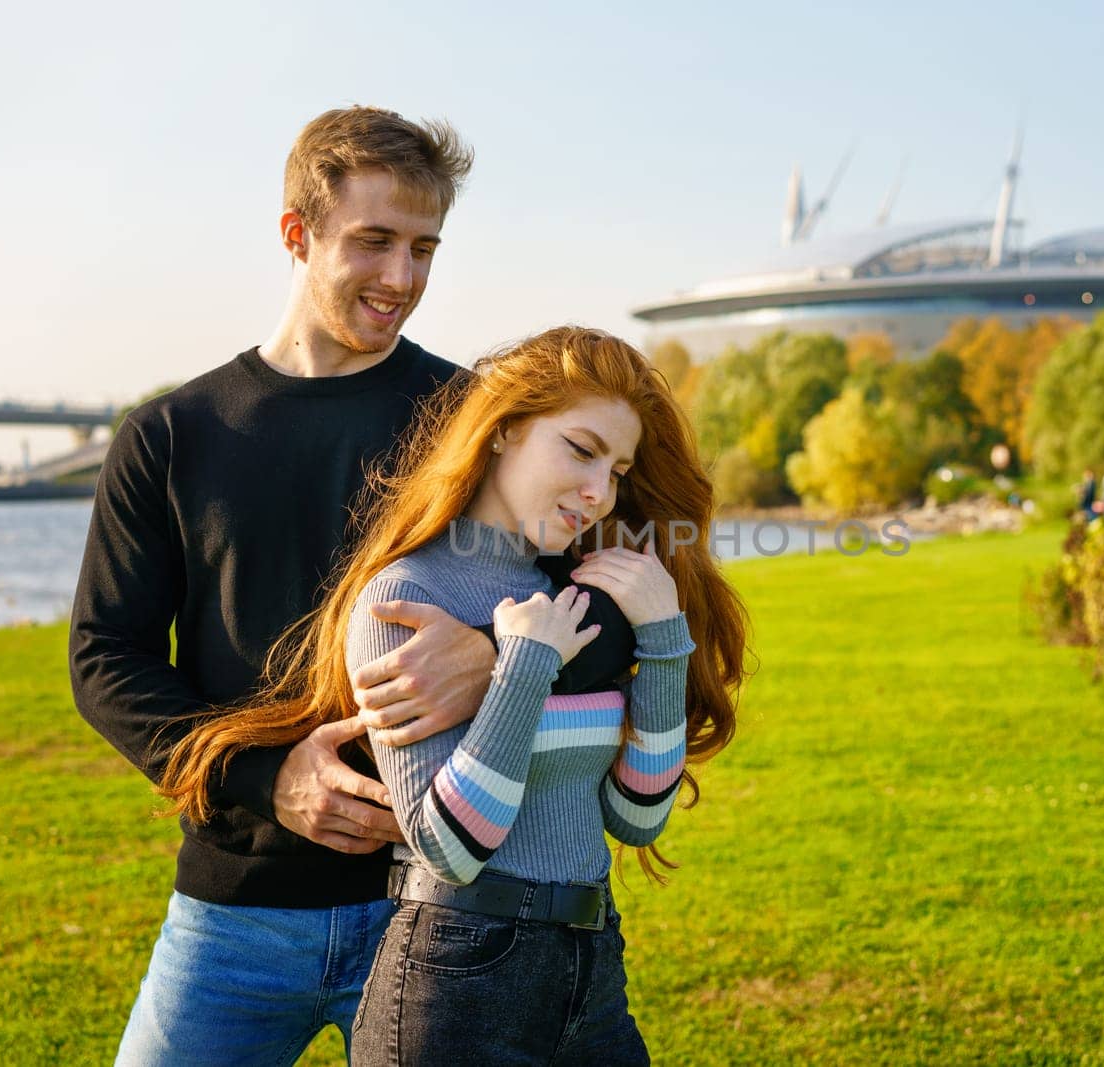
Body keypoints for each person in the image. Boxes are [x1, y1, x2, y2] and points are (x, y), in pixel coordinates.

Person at [161, 326, 750, 1065]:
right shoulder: (405, 596)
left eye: (619, 468)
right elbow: (448, 845)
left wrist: (663, 637)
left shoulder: (572, 592)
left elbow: (637, 816)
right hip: (460, 983)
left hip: (594, 971)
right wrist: (522, 667)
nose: (600, 490)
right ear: (502, 431)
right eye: (580, 448)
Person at [69, 106, 511, 1064]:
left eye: (425, 249)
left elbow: (610, 592)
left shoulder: (472, 420)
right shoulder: (172, 436)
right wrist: (270, 779)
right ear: (296, 233)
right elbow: (108, 660)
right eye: (374, 242)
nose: (403, 279)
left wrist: (497, 654)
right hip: (234, 913)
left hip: (441, 911)